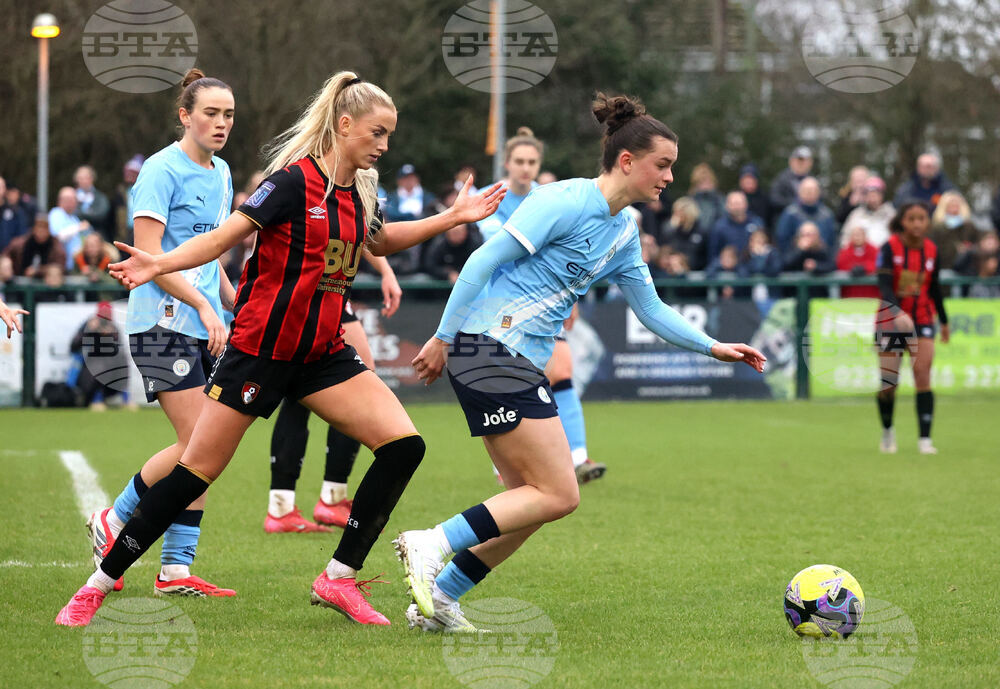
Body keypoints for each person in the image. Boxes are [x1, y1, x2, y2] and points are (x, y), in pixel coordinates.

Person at [56, 70, 504, 627]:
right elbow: (223, 239)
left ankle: (338, 578)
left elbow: (381, 240)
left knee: (404, 445)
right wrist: (159, 262)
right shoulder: (291, 182)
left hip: (322, 354)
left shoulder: (357, 191)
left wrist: (453, 217)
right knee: (195, 470)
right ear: (344, 125)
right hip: (261, 351)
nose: (385, 145)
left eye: (389, 134)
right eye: (377, 133)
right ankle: (95, 587)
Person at [395, 93, 765, 633]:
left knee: (532, 501)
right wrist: (443, 336)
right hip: (489, 348)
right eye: (662, 166)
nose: (669, 178)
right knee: (560, 492)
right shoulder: (563, 200)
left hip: (509, 358)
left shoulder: (623, 231)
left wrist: (713, 346)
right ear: (626, 161)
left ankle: (442, 598)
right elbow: (482, 259)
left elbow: (652, 309)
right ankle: (431, 543)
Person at [72, 69, 238, 601]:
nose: (220, 123)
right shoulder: (160, 171)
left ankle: (175, 570)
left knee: (204, 448)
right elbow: (150, 262)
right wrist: (203, 306)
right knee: (196, 445)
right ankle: (115, 517)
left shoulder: (225, 172)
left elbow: (211, 253)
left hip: (204, 323)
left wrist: (232, 301)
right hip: (162, 321)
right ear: (185, 116)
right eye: (210, 113)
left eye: (229, 114)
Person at [478, 126, 606, 483]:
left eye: (532, 161)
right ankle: (506, 461)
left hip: (544, 303)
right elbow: (501, 250)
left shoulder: (548, 197)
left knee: (562, 372)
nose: (525, 168)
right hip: (499, 304)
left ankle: (578, 457)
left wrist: (570, 296)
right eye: (519, 161)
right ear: (507, 162)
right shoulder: (491, 198)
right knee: (508, 382)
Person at [266, 259, 402, 534]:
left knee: (296, 391)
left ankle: (281, 507)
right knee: (358, 384)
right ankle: (332, 498)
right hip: (324, 283)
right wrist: (386, 271)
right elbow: (368, 230)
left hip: (296, 285)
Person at [876, 201, 949, 455]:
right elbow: (884, 286)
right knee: (889, 383)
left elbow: (935, 288)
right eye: (912, 218)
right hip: (890, 321)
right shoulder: (889, 248)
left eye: (922, 218)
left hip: (922, 318)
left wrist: (945, 320)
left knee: (922, 372)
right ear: (902, 222)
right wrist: (898, 311)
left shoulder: (932, 250)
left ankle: (925, 440)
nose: (917, 223)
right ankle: (887, 430)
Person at [774, 177, 837, 255]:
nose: (810, 192)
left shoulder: (827, 215)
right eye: (806, 190)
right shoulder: (790, 213)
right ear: (799, 192)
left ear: (818, 192)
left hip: (821, 261)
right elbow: (782, 241)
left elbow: (832, 243)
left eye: (813, 190)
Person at [1, 216, 66, 285]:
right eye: (39, 227)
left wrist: (38, 271)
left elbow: (60, 266)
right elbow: (5, 256)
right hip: (18, 284)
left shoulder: (55, 246)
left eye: (44, 228)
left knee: (54, 272)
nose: (41, 231)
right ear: (34, 229)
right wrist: (5, 264)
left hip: (45, 286)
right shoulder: (20, 244)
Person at [707, 190, 765, 262]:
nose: (737, 207)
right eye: (734, 204)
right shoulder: (719, 227)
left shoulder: (757, 222)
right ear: (727, 206)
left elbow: (766, 248)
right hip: (729, 270)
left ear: (746, 204)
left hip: (753, 268)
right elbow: (713, 254)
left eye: (739, 203)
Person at [928, 190, 979, 270]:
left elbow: (977, 243)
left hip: (965, 269)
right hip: (943, 266)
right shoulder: (936, 227)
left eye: (956, 205)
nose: (954, 209)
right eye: (950, 206)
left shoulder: (969, 226)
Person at [841, 176, 894, 249]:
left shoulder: (891, 214)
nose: (872, 198)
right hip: (861, 258)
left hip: (884, 257)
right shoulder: (856, 215)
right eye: (869, 194)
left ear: (882, 195)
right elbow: (845, 239)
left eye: (875, 194)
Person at [48, 186, 92, 271]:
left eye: (74, 200)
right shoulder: (56, 214)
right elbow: (58, 237)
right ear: (61, 200)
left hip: (75, 265)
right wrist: (78, 227)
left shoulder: (74, 218)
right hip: (61, 265)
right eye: (71, 200)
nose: (74, 203)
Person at [659, 196, 707, 270]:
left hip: (696, 272)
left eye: (680, 212)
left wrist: (684, 261)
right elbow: (666, 249)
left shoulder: (701, 231)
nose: (677, 215)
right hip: (672, 270)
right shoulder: (670, 230)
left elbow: (704, 256)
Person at [836, 225, 880, 298]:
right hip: (850, 295)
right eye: (855, 235)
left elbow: (878, 264)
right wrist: (853, 268)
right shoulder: (844, 252)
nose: (857, 238)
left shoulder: (874, 250)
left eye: (859, 235)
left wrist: (865, 268)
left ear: (865, 236)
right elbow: (841, 265)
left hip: (871, 295)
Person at [770, 145, 814, 216]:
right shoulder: (781, 179)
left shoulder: (813, 180)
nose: (800, 164)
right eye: (798, 161)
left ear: (810, 163)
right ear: (791, 161)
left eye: (804, 161)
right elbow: (775, 200)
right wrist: (796, 203)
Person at [75, 165, 113, 241]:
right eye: (81, 178)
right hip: (76, 238)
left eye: (86, 178)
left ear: (92, 179)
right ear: (76, 180)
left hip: (98, 238)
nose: (84, 181)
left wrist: (80, 213)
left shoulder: (100, 197)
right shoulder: (71, 196)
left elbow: (101, 215)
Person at [688, 163, 725, 233]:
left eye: (708, 181)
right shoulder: (691, 200)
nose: (705, 185)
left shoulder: (719, 199)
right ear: (696, 184)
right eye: (702, 182)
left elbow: (723, 217)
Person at [0, 176, 30, 252]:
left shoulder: (16, 211)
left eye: (1, 187)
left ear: (5, 189)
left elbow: (22, 235)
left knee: (6, 264)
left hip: (8, 255)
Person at [737, 164, 770, 229]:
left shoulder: (765, 198)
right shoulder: (735, 197)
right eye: (745, 179)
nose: (748, 181)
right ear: (740, 181)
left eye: (751, 179)